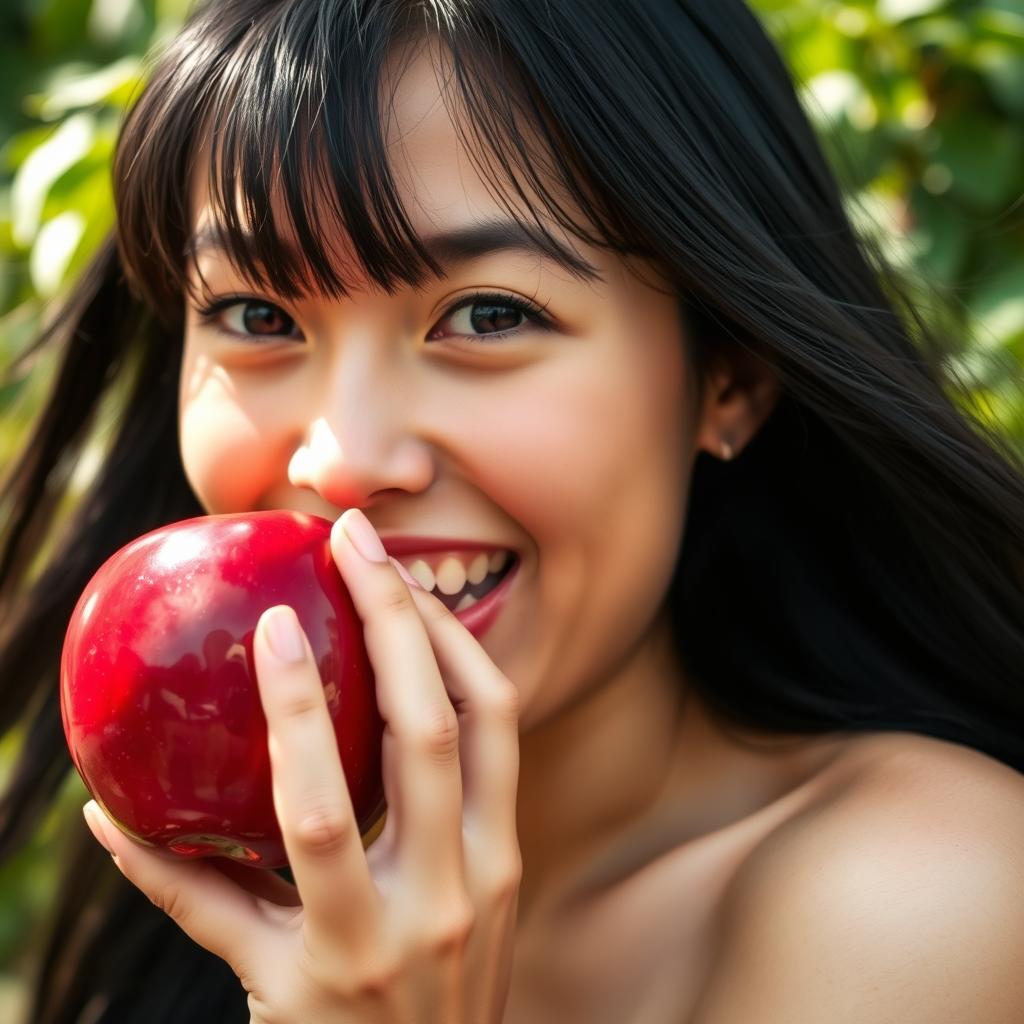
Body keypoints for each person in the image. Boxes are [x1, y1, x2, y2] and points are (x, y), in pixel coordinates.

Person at [2, 0, 1023, 1020]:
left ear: (730, 378)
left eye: (490, 315)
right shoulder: (212, 904)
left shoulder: (925, 902)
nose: (346, 459)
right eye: (256, 316)